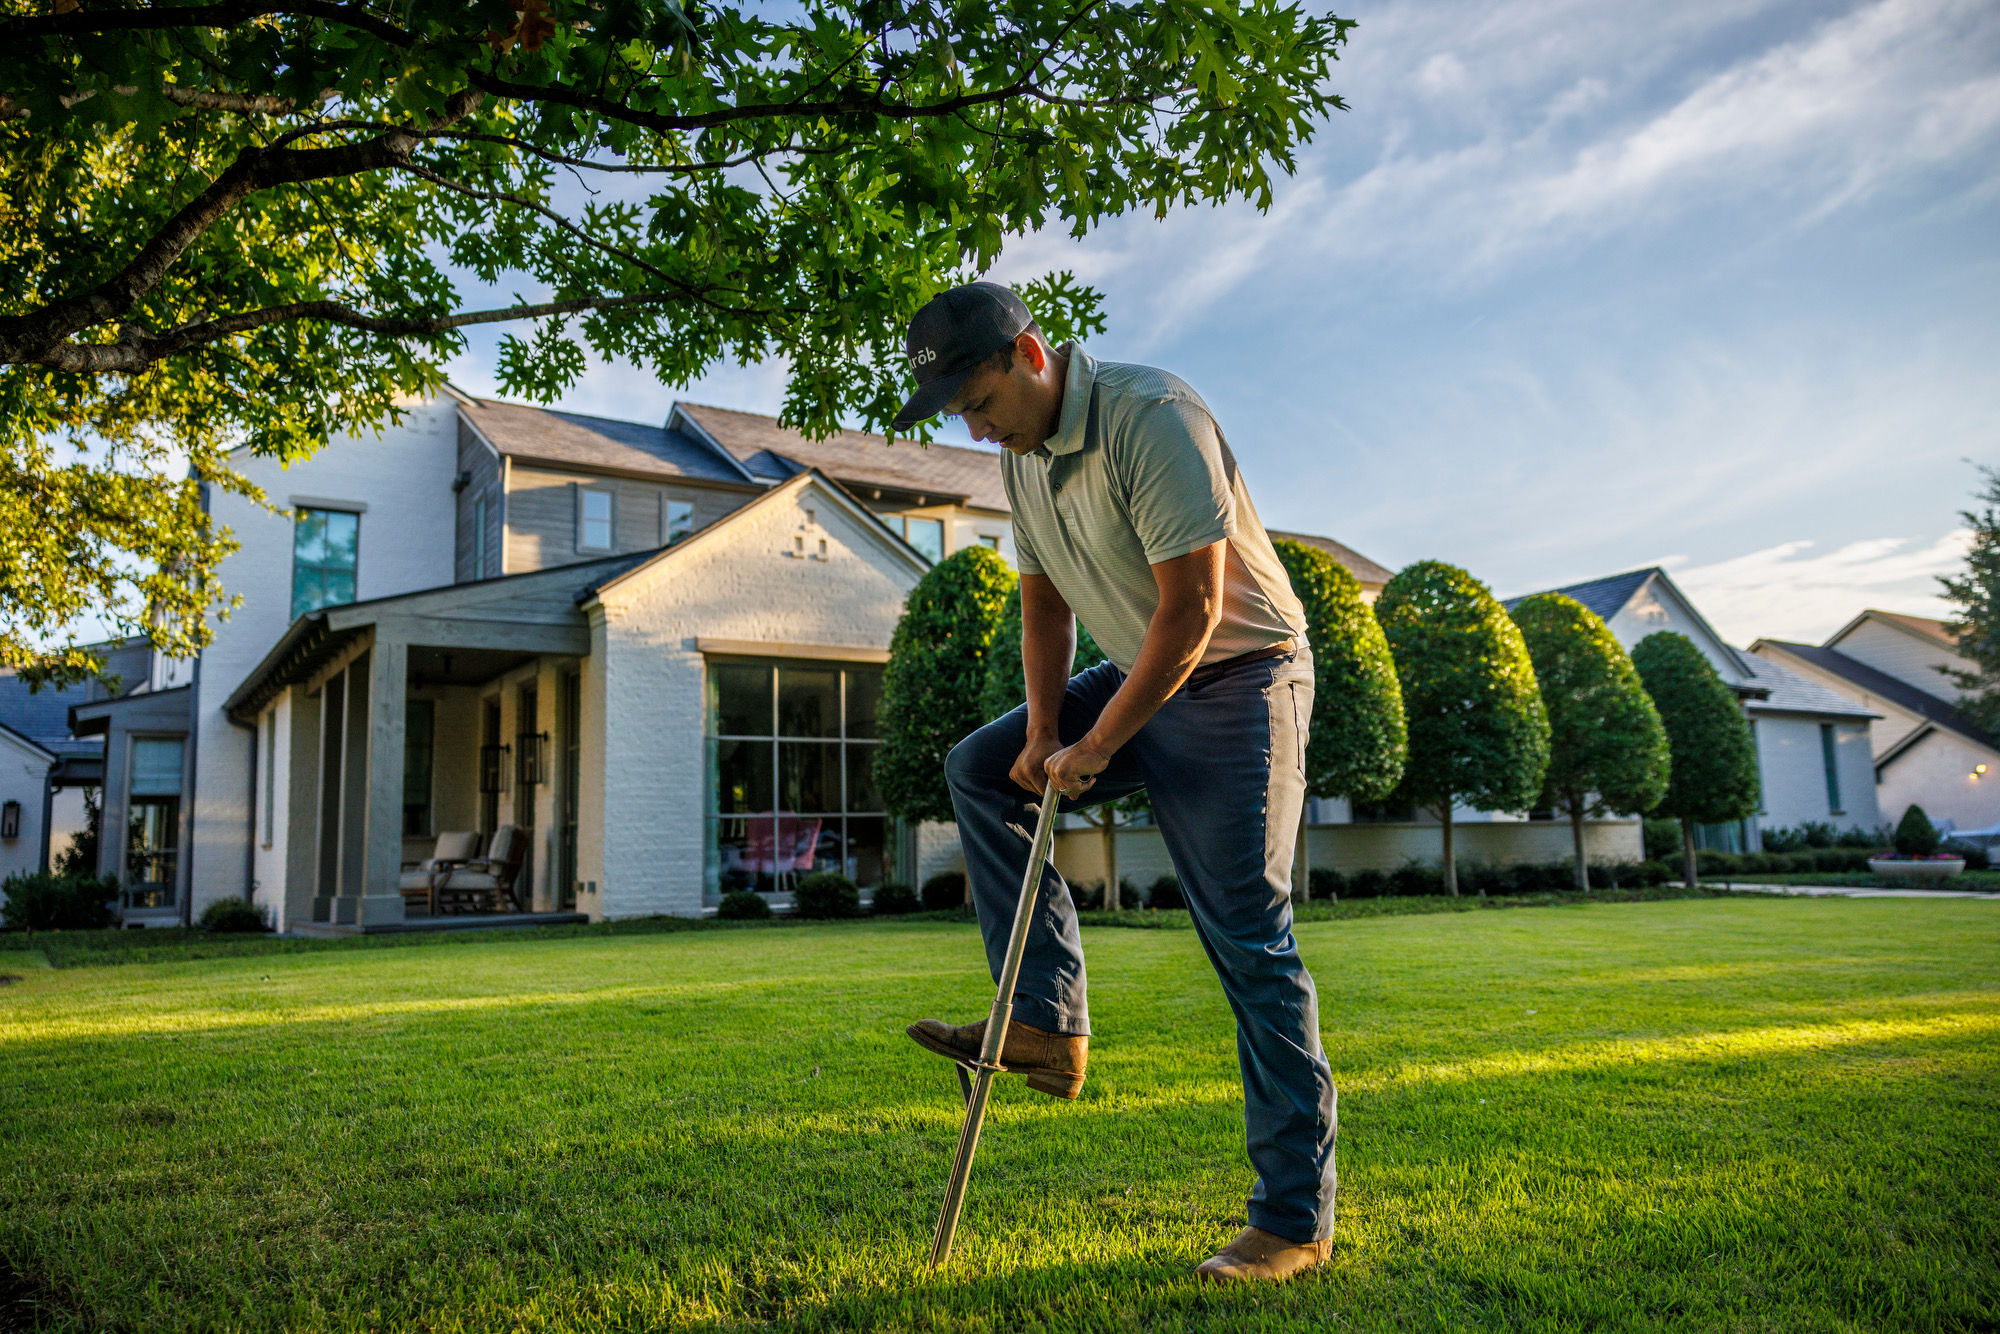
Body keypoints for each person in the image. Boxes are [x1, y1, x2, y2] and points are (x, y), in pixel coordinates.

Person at [893, 282, 1337, 1284]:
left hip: (1241, 673)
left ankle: (1291, 1221)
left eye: (978, 396)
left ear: (1031, 352)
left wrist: (1097, 745)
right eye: (956, 411)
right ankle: (1045, 1026)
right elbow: (1043, 606)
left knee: (1246, 937)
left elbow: (1194, 606)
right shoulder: (1024, 461)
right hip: (1141, 661)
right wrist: (1047, 724)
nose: (973, 425)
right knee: (980, 766)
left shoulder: (1151, 415)